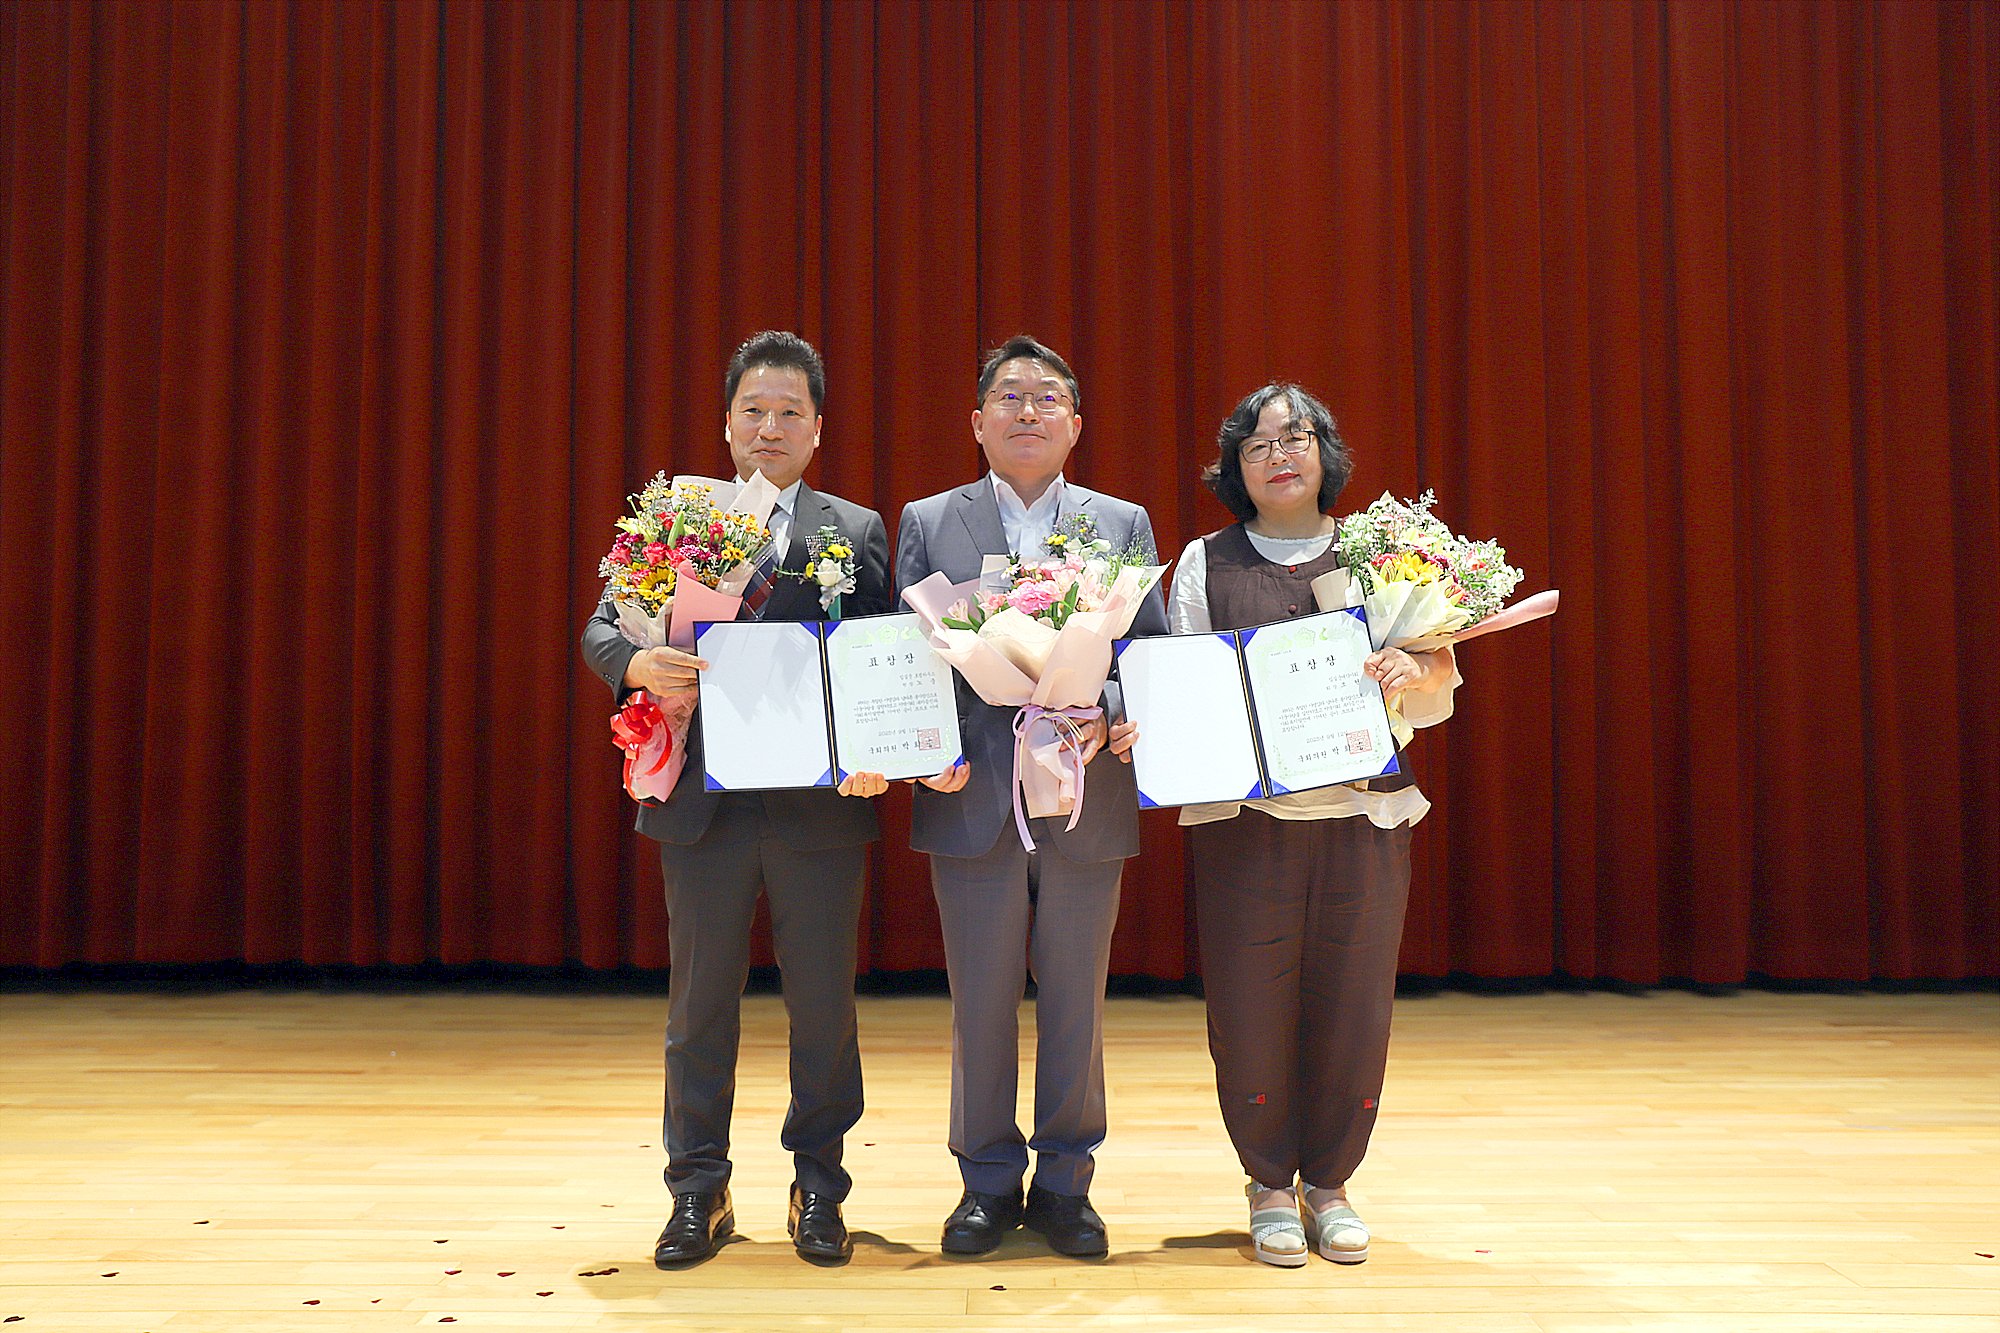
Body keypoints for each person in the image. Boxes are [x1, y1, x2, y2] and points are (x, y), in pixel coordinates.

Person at [579, 331, 892, 1267]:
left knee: (824, 1009)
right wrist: (638, 660)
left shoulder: (854, 529)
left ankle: (820, 1185)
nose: (770, 426)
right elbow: (600, 629)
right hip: (704, 804)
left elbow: (882, 658)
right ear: (726, 424)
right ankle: (697, 1188)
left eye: (790, 411)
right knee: (699, 1006)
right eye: (753, 409)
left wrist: (877, 749)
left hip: (818, 808)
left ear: (818, 428)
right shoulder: (680, 519)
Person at [1167, 383, 1460, 1267]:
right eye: (1258, 445)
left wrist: (1411, 672)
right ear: (1236, 467)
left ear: (1325, 453)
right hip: (1246, 822)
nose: (1279, 455)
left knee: (1354, 1003)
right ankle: (1267, 1183)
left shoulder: (1382, 555)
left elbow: (1439, 694)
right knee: (1249, 1005)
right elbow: (1185, 686)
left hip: (1364, 816)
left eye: (1295, 437)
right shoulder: (1203, 561)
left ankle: (1329, 1183)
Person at [894, 335, 1168, 1259]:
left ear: (1075, 424)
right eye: (1008, 396)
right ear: (977, 422)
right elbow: (905, 657)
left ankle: (1064, 1183)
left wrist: (1111, 711)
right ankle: (983, 1180)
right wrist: (920, 747)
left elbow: (1149, 652)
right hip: (972, 788)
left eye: (1047, 397)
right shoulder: (930, 519)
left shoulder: (1120, 522)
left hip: (1085, 788)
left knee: (1076, 1000)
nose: (1027, 410)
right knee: (979, 998)